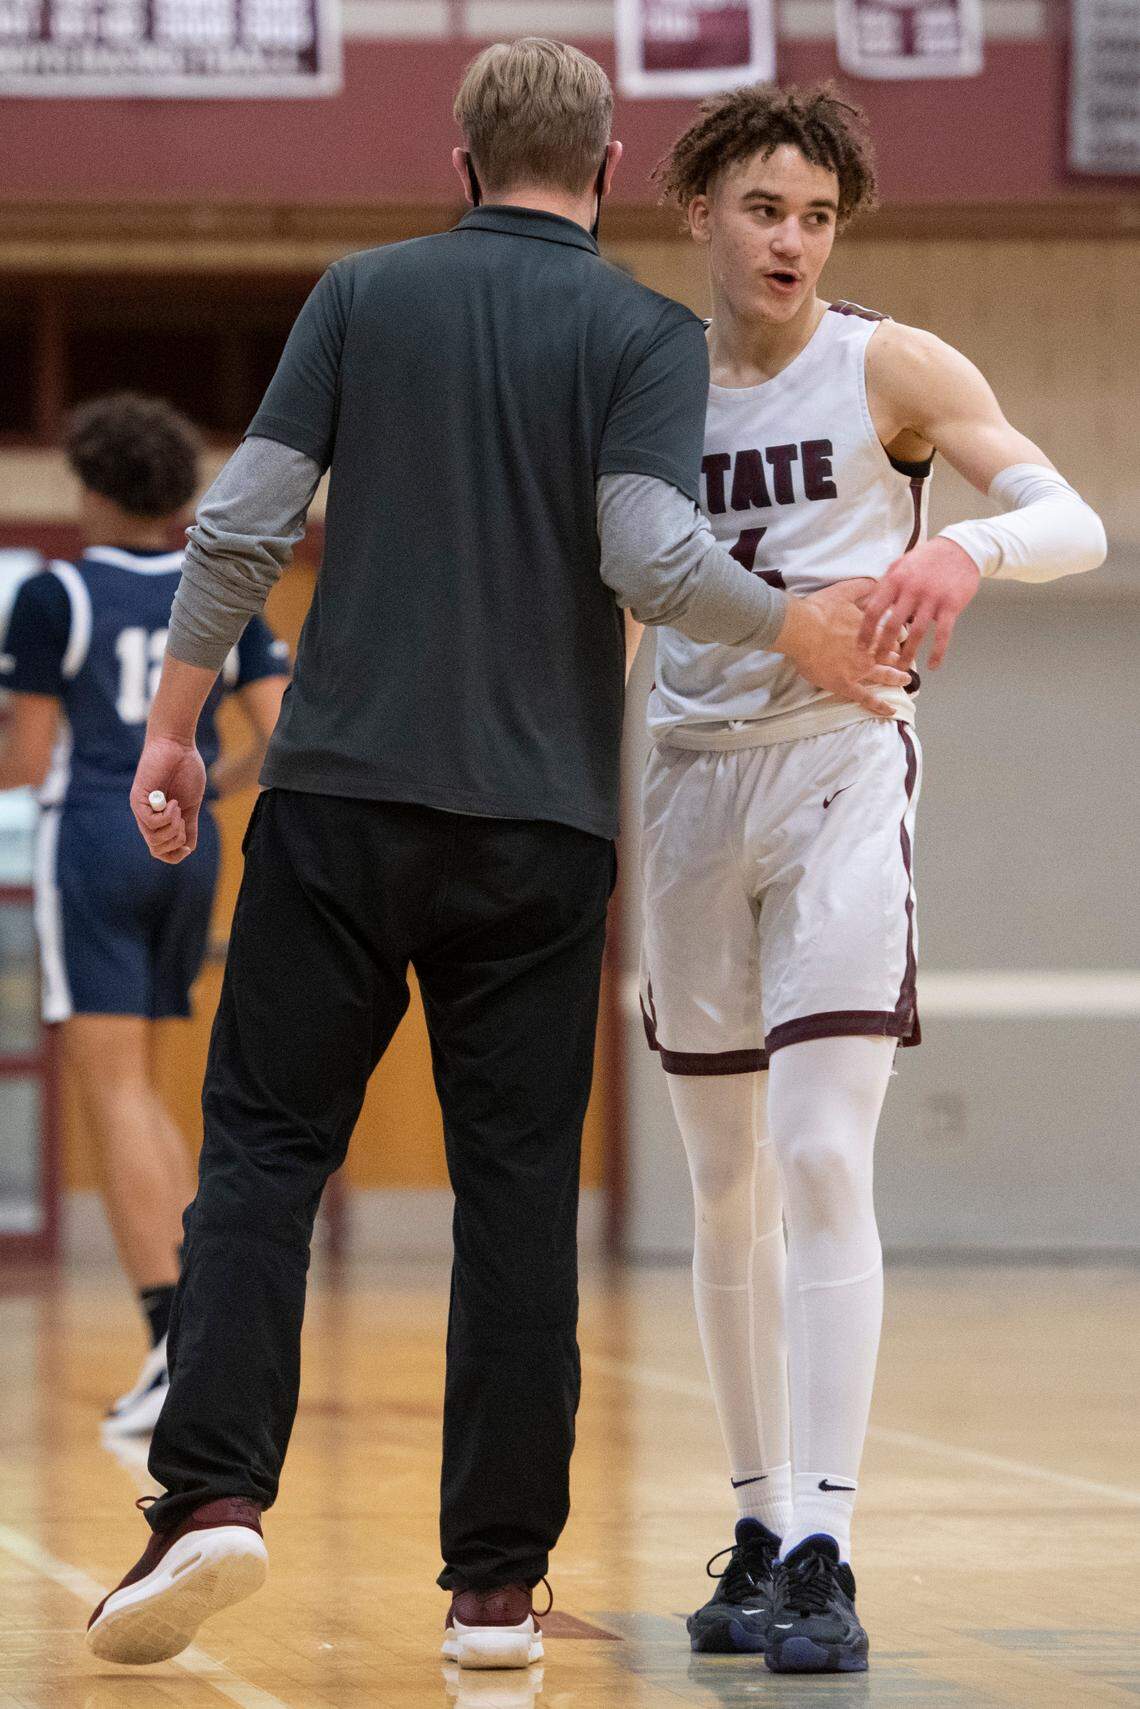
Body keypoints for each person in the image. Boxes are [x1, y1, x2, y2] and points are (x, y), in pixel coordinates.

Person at [83, 40, 903, 1676]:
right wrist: (793, 623)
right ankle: (495, 1591)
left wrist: (174, 724)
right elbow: (652, 555)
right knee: (517, 1199)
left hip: (339, 802)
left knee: (260, 1150)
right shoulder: (641, 331)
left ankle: (211, 1498)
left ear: (460, 162)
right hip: (540, 829)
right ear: (605, 168)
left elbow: (242, 520)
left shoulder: (360, 293)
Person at [638, 84, 1106, 1675]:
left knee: (822, 1151)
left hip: (841, 770)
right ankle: (759, 1517)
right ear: (698, 209)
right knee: (720, 1180)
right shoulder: (645, 385)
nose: (792, 240)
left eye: (819, 215)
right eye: (764, 208)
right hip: (691, 782)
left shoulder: (887, 363)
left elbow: (1077, 517)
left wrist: (962, 550)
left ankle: (830, 1544)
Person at [0, 393, 289, 1434]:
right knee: (151, 1092)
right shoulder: (219, 587)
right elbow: (282, 727)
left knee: (113, 1094)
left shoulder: (56, 596)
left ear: (91, 485)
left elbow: (28, 759)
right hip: (187, 842)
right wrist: (212, 787)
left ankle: (172, 1345)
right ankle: (193, 1334)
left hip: (94, 836)